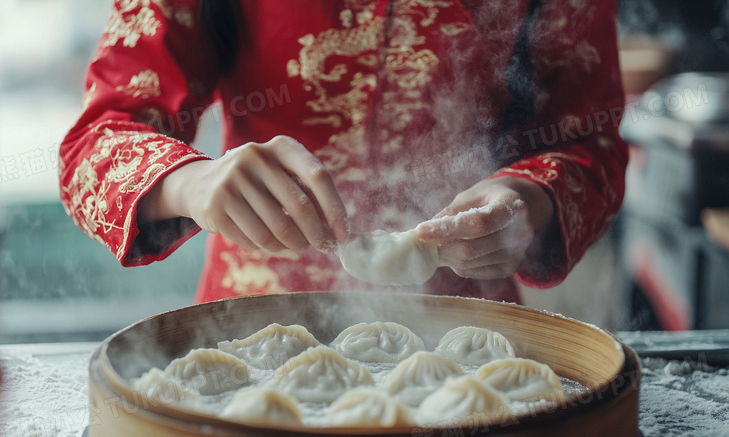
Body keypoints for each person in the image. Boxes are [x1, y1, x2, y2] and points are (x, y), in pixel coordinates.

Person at [59, 0, 628, 304]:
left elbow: (592, 138)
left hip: (463, 329)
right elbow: (93, 144)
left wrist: (531, 197)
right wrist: (190, 183)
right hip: (255, 325)